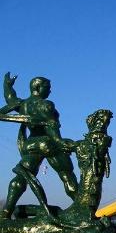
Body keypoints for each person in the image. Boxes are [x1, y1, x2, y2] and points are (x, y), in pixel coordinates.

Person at [0, 73, 78, 219]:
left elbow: (9, 99)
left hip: (31, 144)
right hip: (47, 143)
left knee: (21, 178)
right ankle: (82, 207)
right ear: (37, 87)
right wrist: (63, 144)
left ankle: (6, 212)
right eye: (47, 87)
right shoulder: (46, 105)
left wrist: (7, 85)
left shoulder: (21, 104)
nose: (50, 91)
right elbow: (53, 132)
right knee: (67, 175)